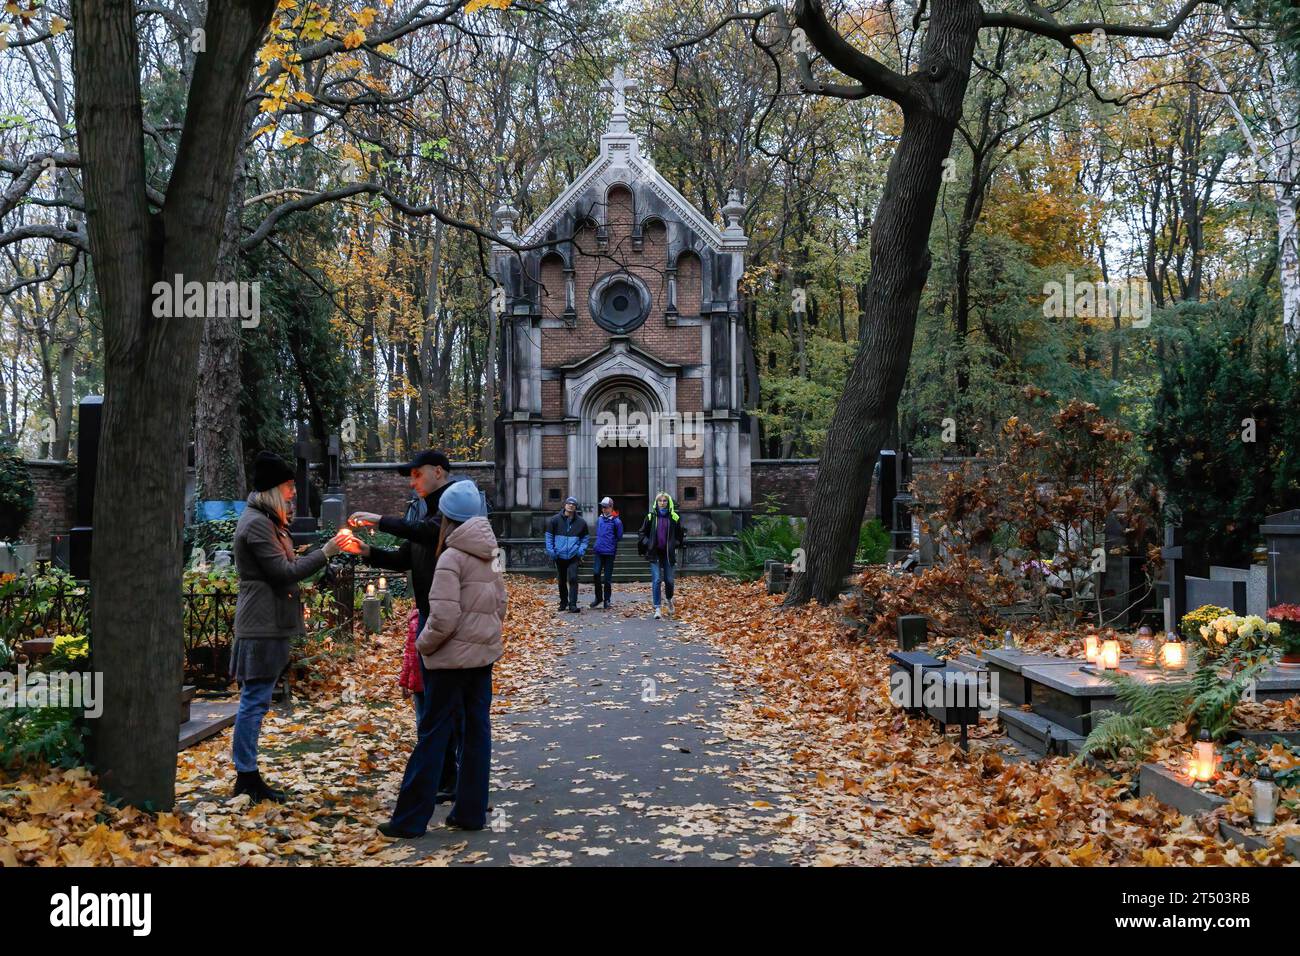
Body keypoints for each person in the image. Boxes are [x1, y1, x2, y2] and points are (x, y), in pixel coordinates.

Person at [344, 450, 476, 800]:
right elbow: (408, 553)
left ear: (438, 472)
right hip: (430, 619)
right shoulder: (428, 512)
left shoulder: (454, 514)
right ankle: (446, 775)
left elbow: (425, 534)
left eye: (417, 475)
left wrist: (377, 519)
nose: (413, 482)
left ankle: (452, 779)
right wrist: (367, 552)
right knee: (432, 700)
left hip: (447, 623)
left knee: (444, 704)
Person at [380, 480, 507, 837]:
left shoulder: (450, 557)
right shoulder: (492, 552)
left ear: (447, 519)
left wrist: (424, 644)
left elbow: (444, 618)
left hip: (448, 662)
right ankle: (470, 813)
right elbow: (501, 604)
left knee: (433, 736)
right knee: (477, 733)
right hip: (482, 659)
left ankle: (409, 821)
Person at [231, 450, 351, 803]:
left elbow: (287, 564)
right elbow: (282, 572)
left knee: (258, 699)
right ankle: (247, 776)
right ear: (272, 489)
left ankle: (248, 773)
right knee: (254, 700)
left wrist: (312, 560)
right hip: (261, 624)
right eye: (287, 486)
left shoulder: (267, 521)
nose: (293, 492)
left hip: (270, 620)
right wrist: (326, 552)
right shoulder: (256, 523)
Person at [638, 491, 684, 620]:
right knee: (657, 580)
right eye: (660, 501)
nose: (662, 503)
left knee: (669, 580)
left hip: (668, 554)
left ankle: (669, 599)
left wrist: (674, 544)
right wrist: (648, 543)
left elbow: (680, 536)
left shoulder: (674, 517)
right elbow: (641, 533)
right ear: (656, 502)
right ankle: (657, 607)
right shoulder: (650, 517)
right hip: (655, 553)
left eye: (664, 501)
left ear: (668, 502)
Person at [544, 495, 588, 613]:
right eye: (569, 503)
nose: (571, 506)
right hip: (559, 555)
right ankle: (563, 602)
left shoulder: (581, 522)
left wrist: (580, 551)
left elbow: (585, 539)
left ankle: (572, 604)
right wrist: (551, 551)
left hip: (574, 555)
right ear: (565, 505)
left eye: (573, 504)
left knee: (573, 578)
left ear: (575, 507)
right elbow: (549, 537)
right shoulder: (555, 520)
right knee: (562, 580)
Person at [589, 497, 623, 609]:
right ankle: (598, 598)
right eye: (602, 507)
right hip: (599, 551)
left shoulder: (617, 521)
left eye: (605, 507)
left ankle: (607, 599)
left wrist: (611, 544)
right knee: (596, 573)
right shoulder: (599, 519)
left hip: (609, 552)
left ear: (611, 507)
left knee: (607, 578)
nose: (603, 509)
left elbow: (619, 536)